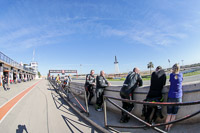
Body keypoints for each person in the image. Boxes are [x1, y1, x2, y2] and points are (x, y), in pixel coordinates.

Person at [165, 64, 183, 132]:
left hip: (170, 96)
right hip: (178, 97)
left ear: (173, 68)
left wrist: (171, 71)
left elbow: (171, 80)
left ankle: (166, 127)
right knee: (174, 115)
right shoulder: (181, 75)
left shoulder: (171, 75)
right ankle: (169, 128)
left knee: (169, 114)